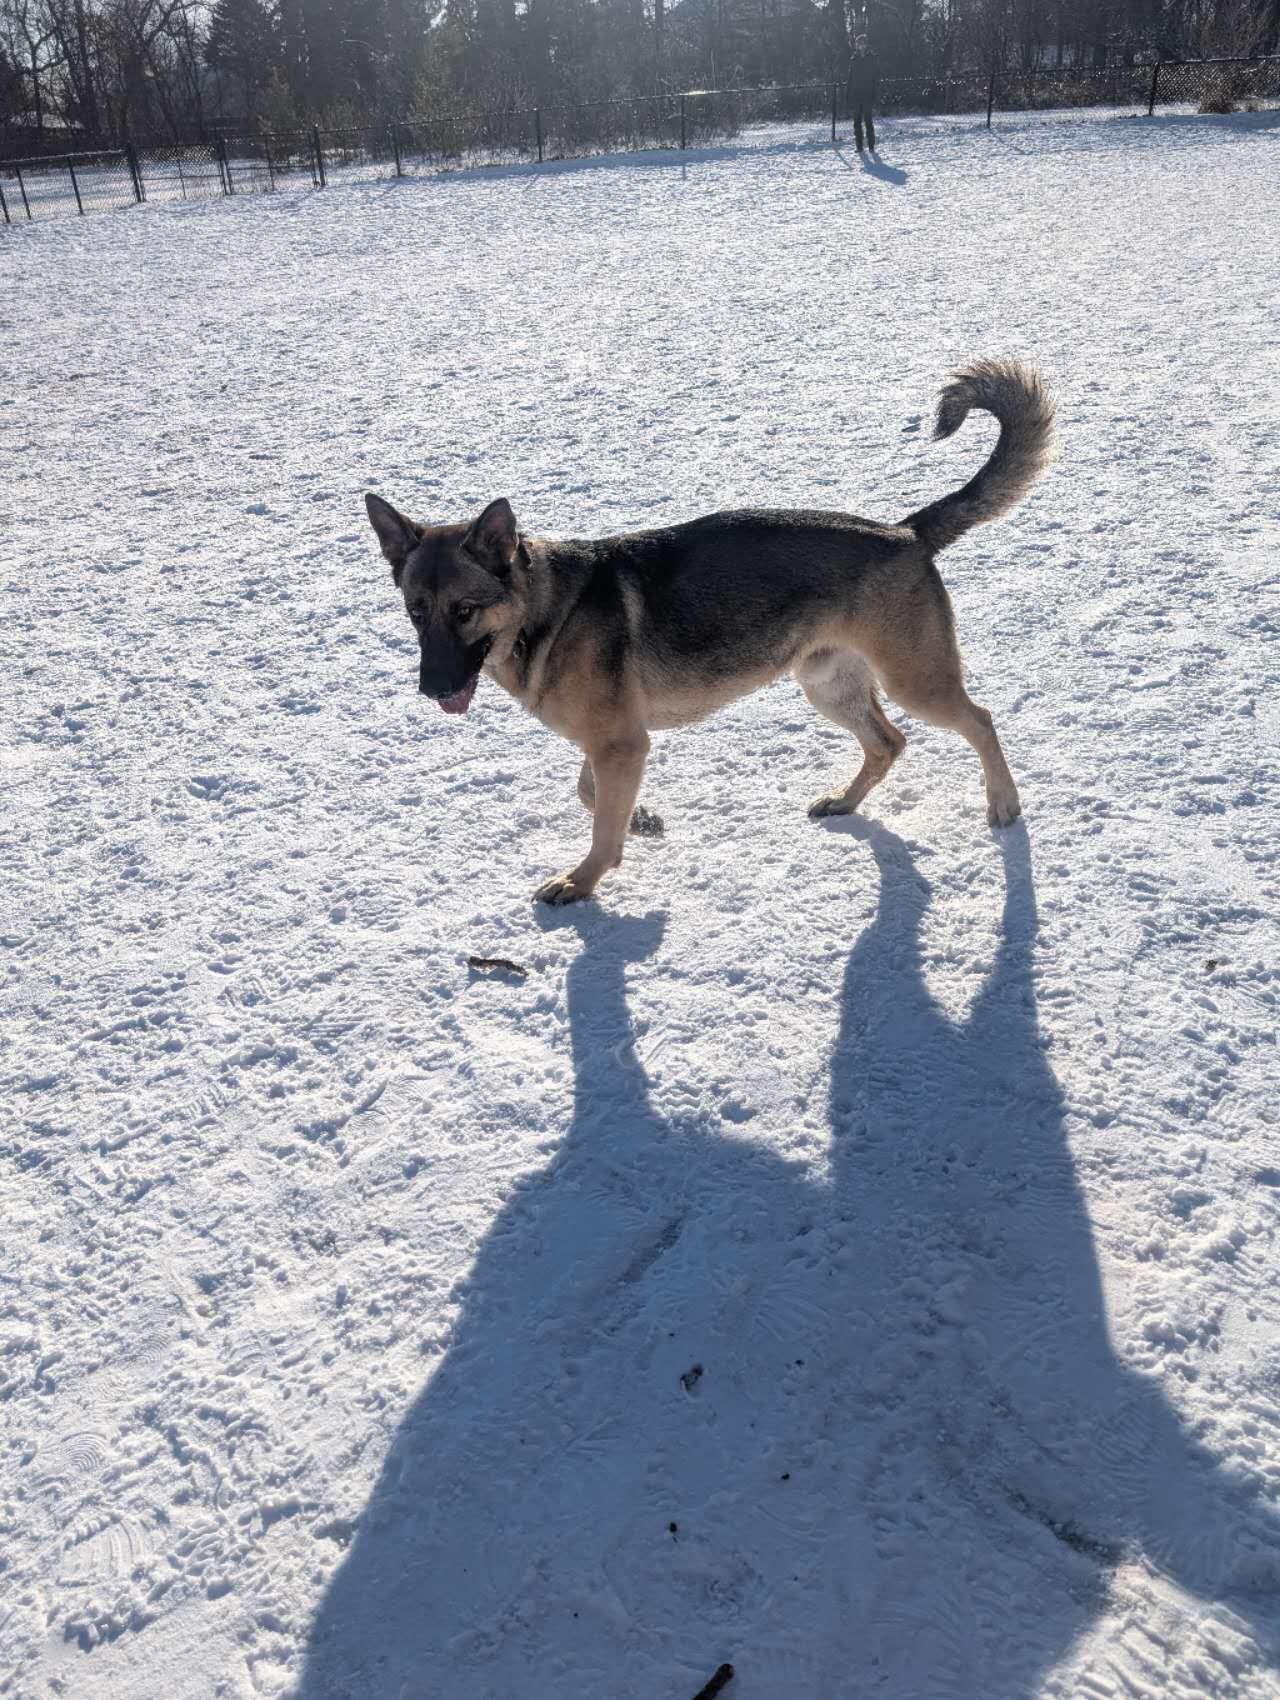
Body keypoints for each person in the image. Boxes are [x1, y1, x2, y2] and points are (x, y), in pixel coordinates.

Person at [846, 33, 878, 152]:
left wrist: (875, 93)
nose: (861, 46)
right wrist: (848, 93)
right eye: (859, 44)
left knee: (868, 121)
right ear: (857, 45)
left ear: (866, 44)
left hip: (868, 94)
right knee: (857, 122)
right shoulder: (853, 59)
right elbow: (850, 77)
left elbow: (875, 77)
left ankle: (871, 146)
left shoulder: (872, 58)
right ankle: (859, 146)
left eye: (863, 43)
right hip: (856, 94)